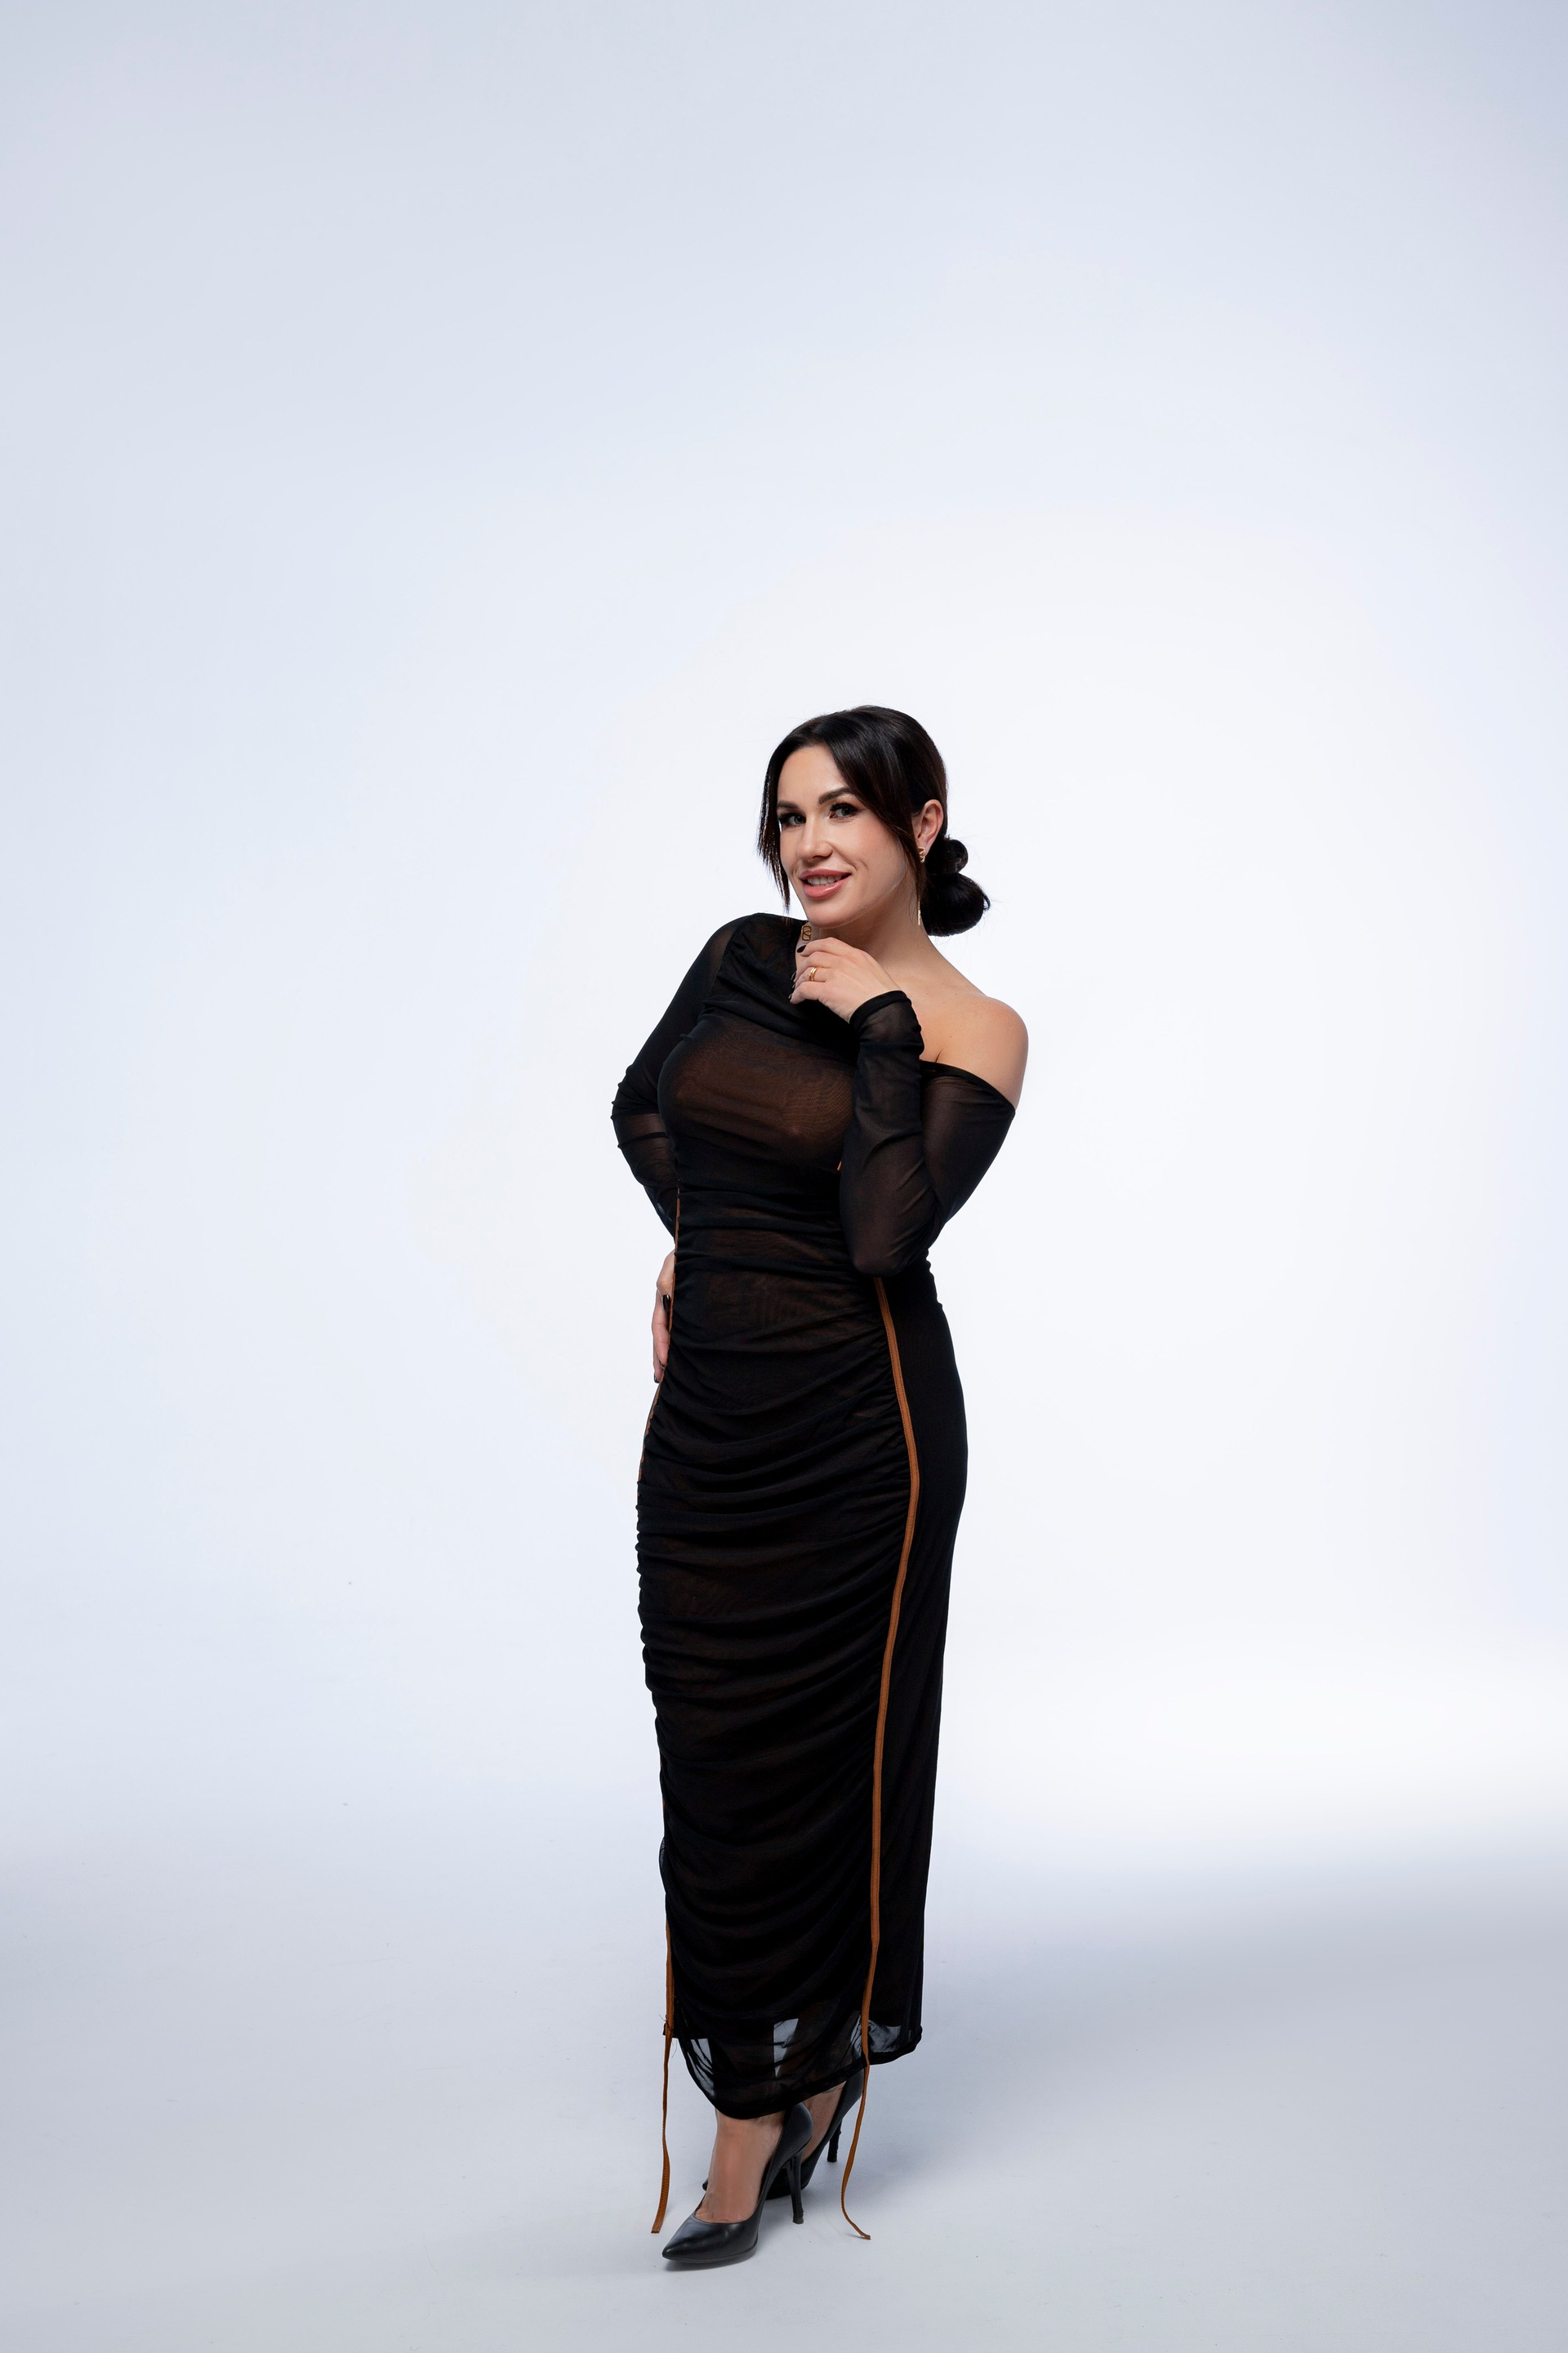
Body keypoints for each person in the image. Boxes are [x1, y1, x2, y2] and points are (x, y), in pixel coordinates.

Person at [612, 705, 1027, 2268]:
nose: (810, 846)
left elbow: (881, 1230)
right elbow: (644, 1105)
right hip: (713, 1418)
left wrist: (883, 1028)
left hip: (867, 1435)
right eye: (789, 817)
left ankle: (769, 2108)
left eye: (844, 810)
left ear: (922, 823)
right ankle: (771, 2074)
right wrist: (699, 1236)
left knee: (830, 1762)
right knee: (711, 1754)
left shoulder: (973, 1023)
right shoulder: (741, 956)